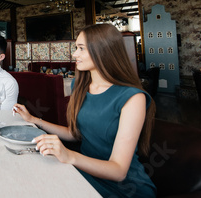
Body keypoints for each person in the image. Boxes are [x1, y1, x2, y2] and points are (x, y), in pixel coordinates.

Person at [13, 24, 156, 198]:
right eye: (76, 48)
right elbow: (75, 134)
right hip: (84, 172)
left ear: (103, 51)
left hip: (124, 188)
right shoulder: (79, 86)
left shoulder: (132, 97)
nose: (74, 55)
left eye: (81, 48)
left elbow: (118, 171)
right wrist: (34, 120)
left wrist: (69, 156)